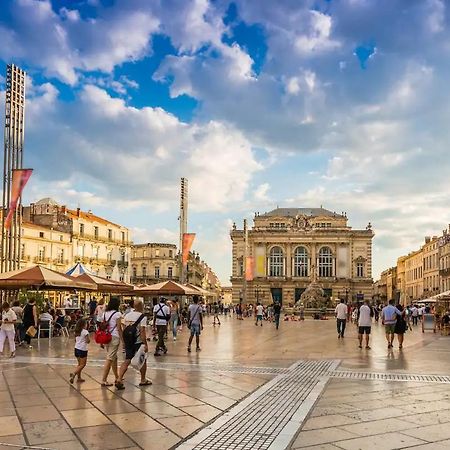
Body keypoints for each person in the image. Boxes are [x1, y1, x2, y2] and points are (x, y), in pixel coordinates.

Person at [115, 299, 151, 390]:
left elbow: (124, 328)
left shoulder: (127, 315)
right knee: (143, 360)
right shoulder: (142, 317)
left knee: (127, 359)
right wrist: (145, 344)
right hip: (138, 341)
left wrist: (124, 341)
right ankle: (143, 379)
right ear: (141, 306)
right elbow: (142, 332)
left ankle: (119, 378)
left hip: (128, 341)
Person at [100, 296, 122, 387]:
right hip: (114, 337)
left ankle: (117, 376)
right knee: (110, 358)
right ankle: (104, 380)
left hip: (106, 337)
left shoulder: (105, 313)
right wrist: (123, 340)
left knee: (114, 357)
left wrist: (101, 341)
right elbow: (119, 328)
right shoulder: (117, 314)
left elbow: (102, 327)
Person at [70, 318, 90, 383]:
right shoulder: (85, 332)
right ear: (84, 325)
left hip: (76, 348)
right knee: (83, 364)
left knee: (79, 364)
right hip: (83, 349)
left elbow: (75, 340)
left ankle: (79, 378)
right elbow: (87, 341)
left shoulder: (77, 331)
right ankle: (74, 373)